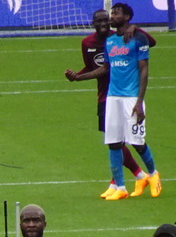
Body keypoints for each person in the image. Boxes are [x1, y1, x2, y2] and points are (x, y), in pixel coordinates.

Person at [65, 9, 156, 199]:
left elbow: (150, 43)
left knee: (125, 140)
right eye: (99, 21)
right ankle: (133, 178)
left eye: (106, 20)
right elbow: (95, 68)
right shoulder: (87, 43)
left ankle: (127, 180)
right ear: (93, 23)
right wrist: (77, 77)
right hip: (105, 96)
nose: (103, 24)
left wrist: (135, 27)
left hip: (127, 94)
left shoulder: (125, 35)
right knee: (113, 140)